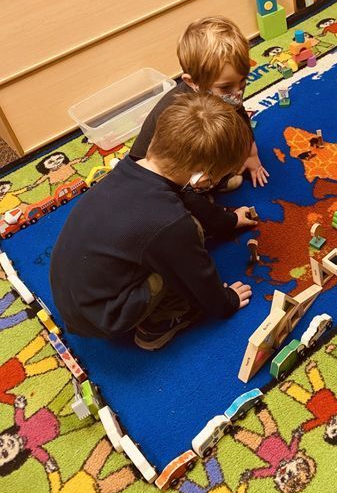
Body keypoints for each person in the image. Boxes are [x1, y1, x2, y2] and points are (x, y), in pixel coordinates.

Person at [50, 93, 254, 350]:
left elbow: (182, 200)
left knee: (182, 231)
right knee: (190, 238)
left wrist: (226, 220)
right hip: (104, 316)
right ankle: (161, 321)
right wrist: (227, 302)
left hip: (72, 295)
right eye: (218, 178)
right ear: (202, 177)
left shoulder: (127, 171)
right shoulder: (171, 223)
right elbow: (199, 278)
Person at [130, 16, 268, 240]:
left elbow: (239, 113)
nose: (238, 94)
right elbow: (180, 182)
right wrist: (228, 221)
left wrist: (251, 155)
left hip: (193, 169)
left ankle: (209, 184)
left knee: (231, 170)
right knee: (190, 230)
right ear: (192, 82)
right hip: (161, 181)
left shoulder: (226, 93)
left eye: (243, 83)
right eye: (226, 87)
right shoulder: (185, 121)